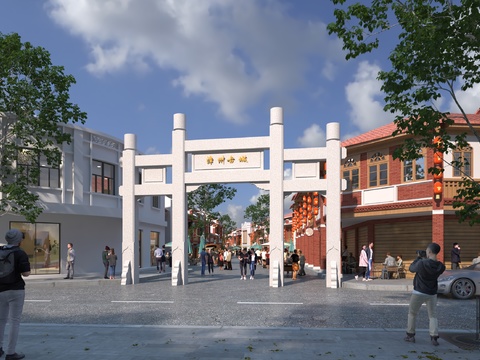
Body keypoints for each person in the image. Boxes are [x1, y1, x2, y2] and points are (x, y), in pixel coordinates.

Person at [404, 243, 445, 346]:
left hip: (418, 291)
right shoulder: (441, 266)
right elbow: (432, 264)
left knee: (412, 313)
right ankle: (434, 337)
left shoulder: (422, 263)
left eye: (427, 251)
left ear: (430, 252)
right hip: (432, 293)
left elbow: (411, 268)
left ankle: (410, 335)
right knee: (433, 316)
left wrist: (418, 257)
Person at [0, 230, 30, 360]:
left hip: (0, 289)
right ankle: (10, 352)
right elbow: (26, 273)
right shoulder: (20, 252)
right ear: (18, 240)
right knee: (14, 321)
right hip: (16, 289)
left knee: (1, 321)